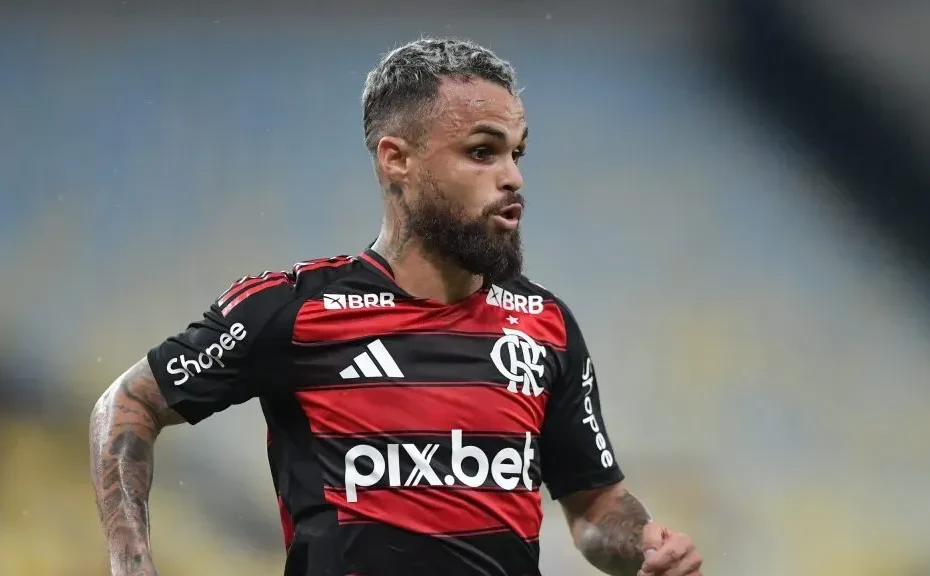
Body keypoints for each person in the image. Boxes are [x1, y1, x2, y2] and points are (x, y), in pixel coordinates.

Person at [90, 37, 703, 576]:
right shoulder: (295, 309)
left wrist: (644, 546)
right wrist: (131, 562)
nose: (513, 177)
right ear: (397, 159)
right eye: (483, 152)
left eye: (517, 153)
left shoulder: (546, 326)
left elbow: (595, 507)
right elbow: (129, 403)